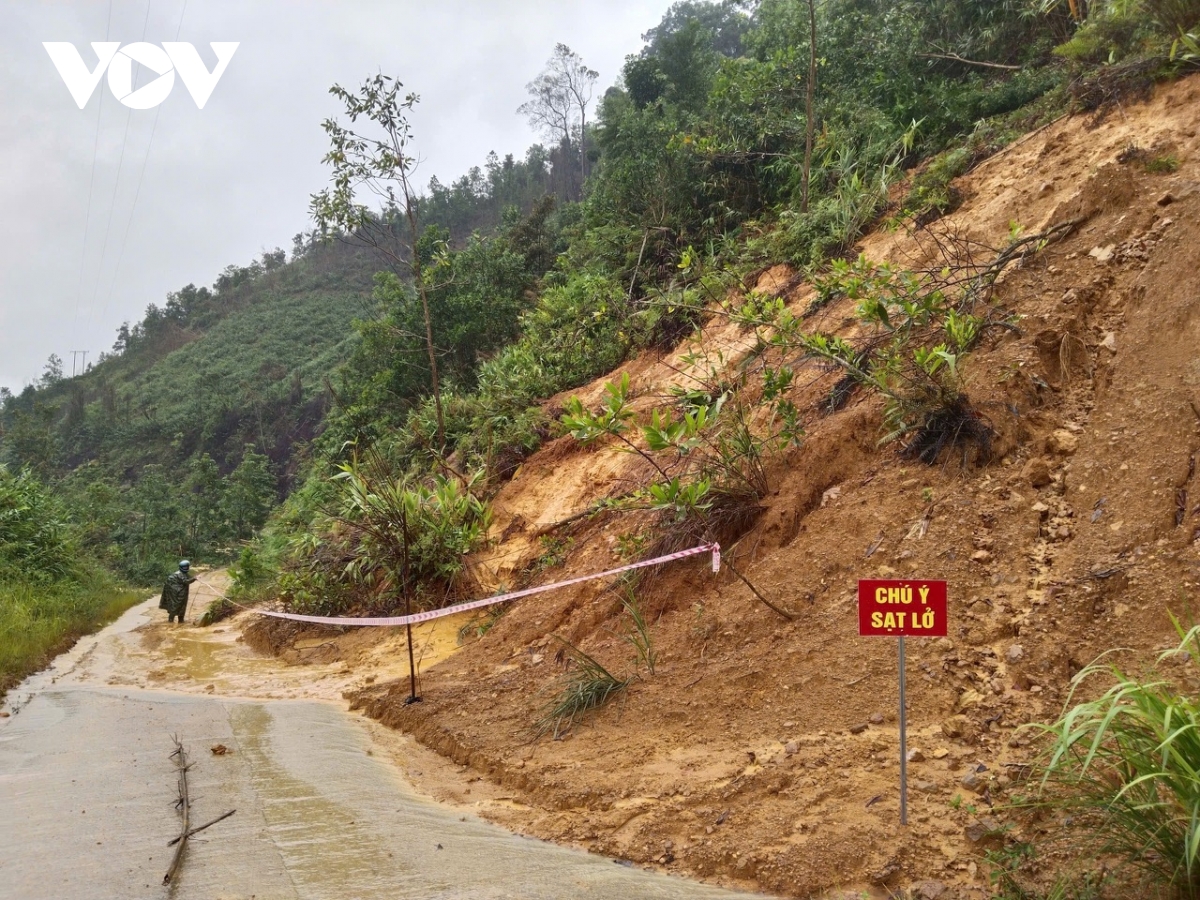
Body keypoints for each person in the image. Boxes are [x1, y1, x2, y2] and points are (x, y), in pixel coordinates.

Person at [159, 560, 197, 624]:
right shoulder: (179, 574)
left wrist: (195, 578)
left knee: (182, 606)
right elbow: (186, 581)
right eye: (185, 567)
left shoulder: (183, 573)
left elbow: (189, 578)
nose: (186, 568)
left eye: (187, 567)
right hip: (175, 593)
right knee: (175, 606)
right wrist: (194, 579)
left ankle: (180, 621)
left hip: (181, 593)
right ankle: (171, 621)